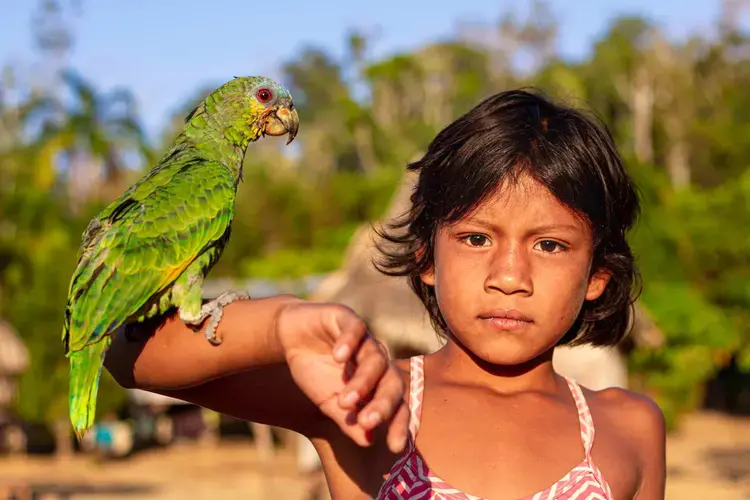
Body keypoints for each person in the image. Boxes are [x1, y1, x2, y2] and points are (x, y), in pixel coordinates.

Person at [104, 88, 666, 499]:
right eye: (475, 238)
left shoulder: (630, 429)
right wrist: (280, 324)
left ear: (598, 275)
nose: (509, 275)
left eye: (548, 245)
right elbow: (129, 356)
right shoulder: (364, 399)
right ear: (424, 259)